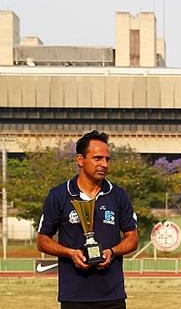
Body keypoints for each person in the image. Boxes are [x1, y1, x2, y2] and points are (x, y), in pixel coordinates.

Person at [37, 130, 139, 309]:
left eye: (107, 159)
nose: (104, 164)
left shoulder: (118, 195)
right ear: (80, 160)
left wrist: (112, 252)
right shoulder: (59, 195)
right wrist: (70, 253)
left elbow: (132, 238)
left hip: (112, 296)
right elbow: (42, 241)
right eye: (97, 158)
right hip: (74, 297)